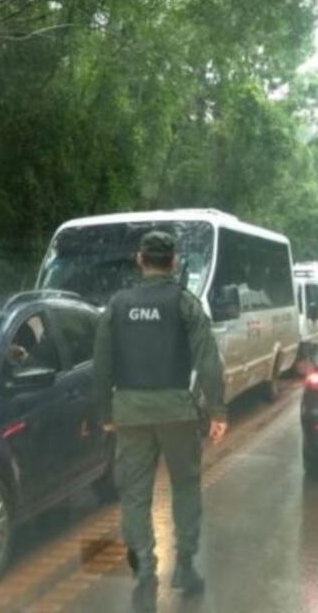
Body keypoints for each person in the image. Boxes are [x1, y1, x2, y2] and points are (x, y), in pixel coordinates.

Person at [93, 230, 228, 612]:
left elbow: (101, 364)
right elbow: (208, 360)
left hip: (130, 413)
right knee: (185, 485)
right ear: (173, 261)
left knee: (135, 493)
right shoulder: (184, 304)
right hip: (176, 411)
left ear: (140, 260)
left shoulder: (117, 306)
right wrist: (217, 410)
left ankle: (144, 570)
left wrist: (106, 414)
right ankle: (184, 566)